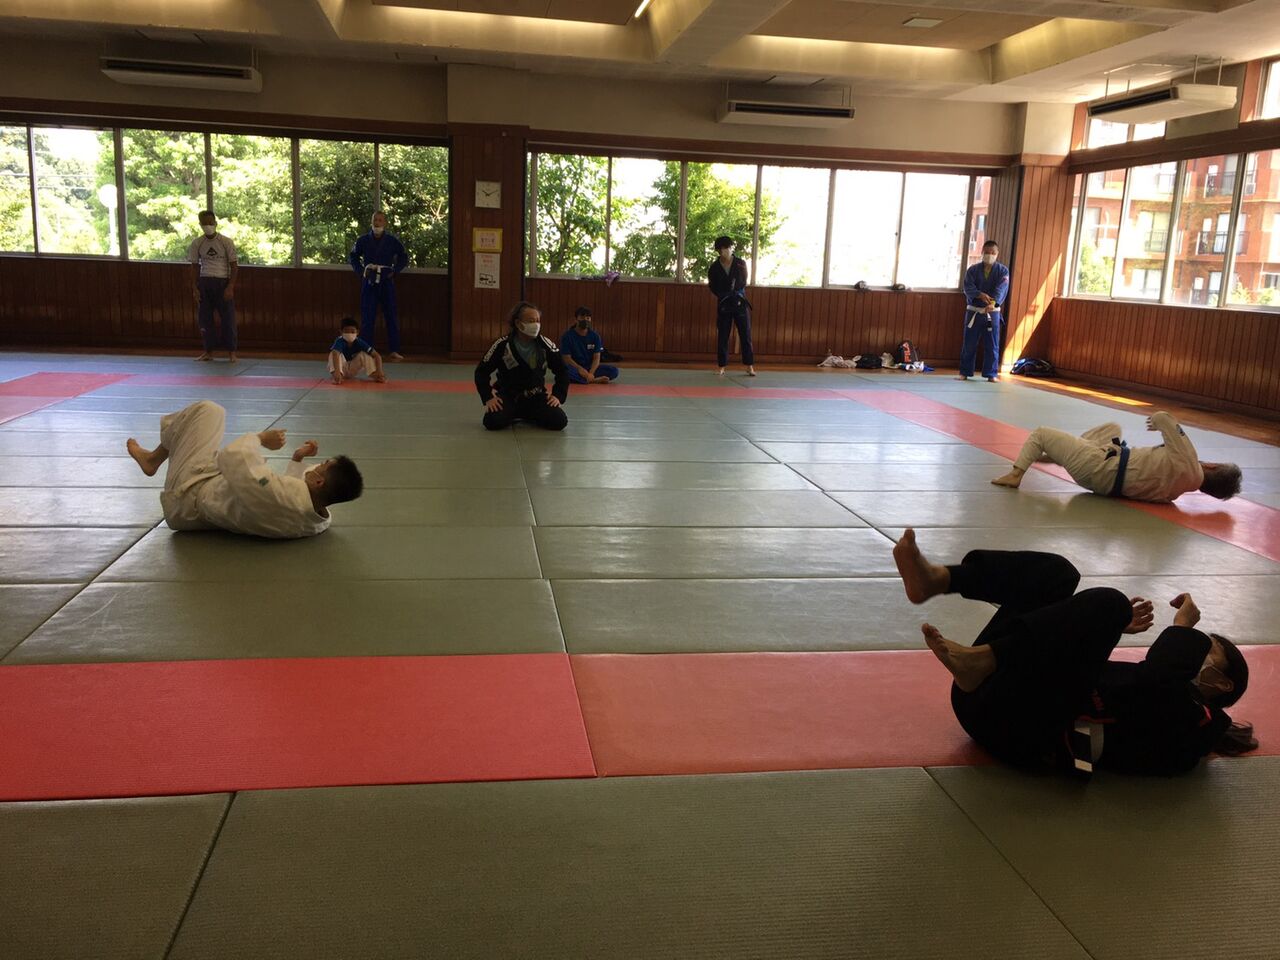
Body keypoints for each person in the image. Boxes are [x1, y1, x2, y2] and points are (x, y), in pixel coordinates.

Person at [893, 528, 1253, 776]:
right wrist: (1105, 629)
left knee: (1111, 604)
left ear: (1223, 683)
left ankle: (985, 660)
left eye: (1208, 648)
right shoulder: (1165, 691)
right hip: (997, 697)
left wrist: (1183, 628)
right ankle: (939, 579)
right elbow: (1077, 672)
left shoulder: (1197, 728)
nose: (1195, 648)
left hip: (1018, 733)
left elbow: (1155, 685)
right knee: (1059, 574)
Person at [124, 400, 363, 539]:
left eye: (322, 465)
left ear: (319, 482)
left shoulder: (274, 492)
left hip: (187, 496)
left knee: (210, 410)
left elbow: (233, 457)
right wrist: (298, 458)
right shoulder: (316, 520)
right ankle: (153, 459)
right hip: (204, 507)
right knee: (214, 433)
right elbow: (296, 493)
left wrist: (261, 439)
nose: (318, 464)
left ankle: (153, 459)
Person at [991, 411, 1243, 502]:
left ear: (1212, 466)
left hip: (1096, 465)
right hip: (1103, 482)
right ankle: (1061, 456)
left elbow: (1164, 418)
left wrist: (1157, 422)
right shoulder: (1174, 495)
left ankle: (1016, 474)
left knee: (1041, 433)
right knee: (1112, 429)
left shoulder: (1189, 460)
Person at [475, 302, 569, 431]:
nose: (536, 325)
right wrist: (488, 398)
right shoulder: (502, 345)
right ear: (518, 323)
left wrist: (558, 395)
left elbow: (562, 371)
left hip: (536, 397)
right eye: (531, 321)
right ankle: (517, 414)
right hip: (510, 397)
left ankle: (529, 415)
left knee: (559, 421)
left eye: (538, 321)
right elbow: (481, 372)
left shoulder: (545, 344)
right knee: (492, 421)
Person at [349, 211, 409, 361]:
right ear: (371, 222)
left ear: (385, 223)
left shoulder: (392, 241)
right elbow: (353, 256)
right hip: (369, 280)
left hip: (386, 279)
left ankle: (394, 349)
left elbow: (403, 257)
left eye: (380, 220)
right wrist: (361, 271)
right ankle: (366, 350)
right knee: (367, 317)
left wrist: (395, 271)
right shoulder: (363, 240)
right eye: (375, 220)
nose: (377, 223)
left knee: (391, 315)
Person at [188, 210, 238, 363]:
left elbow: (234, 266)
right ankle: (208, 351)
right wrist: (195, 288)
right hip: (205, 282)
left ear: (215, 223)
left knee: (228, 319)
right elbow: (194, 267)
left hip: (222, 281)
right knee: (205, 319)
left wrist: (230, 286)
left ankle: (232, 352)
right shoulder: (197, 243)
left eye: (210, 223)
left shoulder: (226, 242)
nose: (208, 226)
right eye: (205, 224)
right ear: (200, 225)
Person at [958, 240, 1009, 382]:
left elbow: (1001, 289)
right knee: (969, 343)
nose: (989, 255)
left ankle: (991, 374)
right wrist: (979, 294)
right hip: (974, 311)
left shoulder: (1003, 271)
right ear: (982, 253)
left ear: (997, 254)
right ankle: (964, 372)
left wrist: (993, 303)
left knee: (992, 344)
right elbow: (968, 287)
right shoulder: (972, 270)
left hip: (992, 313)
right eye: (987, 252)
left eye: (993, 253)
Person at [708, 235, 755, 377]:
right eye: (723, 248)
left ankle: (749, 366)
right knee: (723, 335)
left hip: (739, 301)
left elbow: (744, 280)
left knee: (745, 334)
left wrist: (735, 291)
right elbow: (712, 285)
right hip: (724, 303)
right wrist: (722, 294)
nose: (726, 250)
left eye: (728, 247)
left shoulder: (740, 263)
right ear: (718, 250)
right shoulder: (714, 267)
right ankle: (721, 366)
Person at [560, 307, 619, 385]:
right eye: (582, 317)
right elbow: (566, 358)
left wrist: (591, 373)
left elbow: (596, 358)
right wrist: (579, 369)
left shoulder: (595, 336)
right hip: (574, 367)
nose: (585, 320)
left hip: (590, 367)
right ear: (576, 319)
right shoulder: (567, 336)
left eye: (588, 318)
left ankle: (586, 379)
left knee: (614, 371)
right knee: (564, 371)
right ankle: (594, 380)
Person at [327, 317, 387, 385]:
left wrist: (380, 371)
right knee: (333, 353)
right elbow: (335, 354)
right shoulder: (339, 341)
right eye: (346, 331)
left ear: (357, 332)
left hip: (352, 369)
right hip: (341, 369)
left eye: (352, 332)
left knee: (363, 354)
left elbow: (377, 355)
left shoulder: (359, 342)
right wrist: (337, 372)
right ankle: (337, 376)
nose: (349, 334)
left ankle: (376, 375)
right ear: (341, 332)